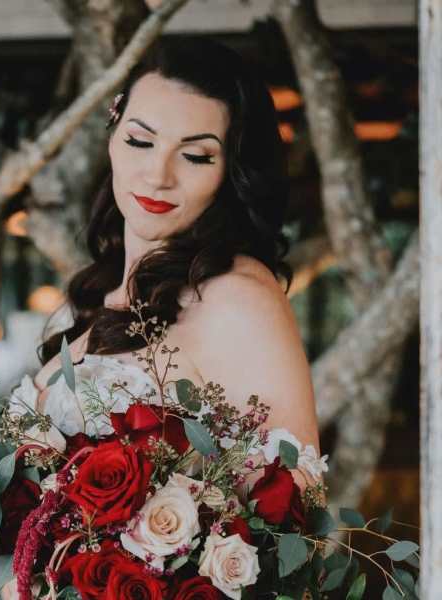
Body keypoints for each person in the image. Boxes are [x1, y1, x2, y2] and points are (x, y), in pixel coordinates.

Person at [32, 37, 321, 491]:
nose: (158, 175)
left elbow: (294, 500)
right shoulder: (101, 291)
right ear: (112, 136)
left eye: (195, 156)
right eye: (140, 141)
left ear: (232, 170)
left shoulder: (235, 296)